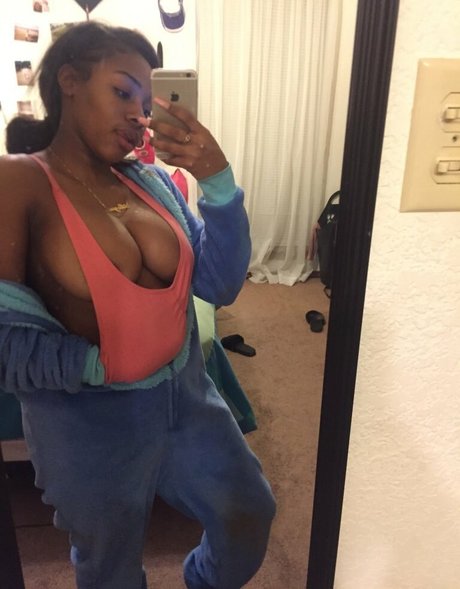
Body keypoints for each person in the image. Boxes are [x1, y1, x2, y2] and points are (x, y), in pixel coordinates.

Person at [0, 21, 275, 589]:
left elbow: (219, 285)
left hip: (188, 400)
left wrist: (218, 183)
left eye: (146, 103)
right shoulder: (17, 183)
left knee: (249, 514)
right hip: (88, 427)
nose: (138, 115)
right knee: (110, 568)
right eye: (123, 92)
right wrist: (99, 365)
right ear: (69, 81)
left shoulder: (151, 181)